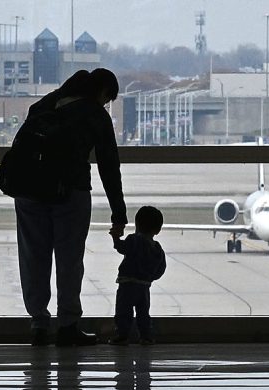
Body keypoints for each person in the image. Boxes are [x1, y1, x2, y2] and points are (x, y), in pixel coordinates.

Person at [14, 68, 127, 346]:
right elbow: (109, 166)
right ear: (103, 91)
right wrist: (118, 212)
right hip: (71, 192)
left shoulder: (43, 105)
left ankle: (39, 325)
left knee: (33, 259)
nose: (106, 104)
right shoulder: (95, 114)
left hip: (29, 190)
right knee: (69, 261)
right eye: (107, 99)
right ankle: (67, 326)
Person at [109, 206, 166, 345]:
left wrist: (115, 238)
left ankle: (123, 336)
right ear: (158, 230)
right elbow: (161, 268)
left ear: (137, 225)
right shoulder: (157, 248)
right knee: (143, 313)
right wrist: (150, 277)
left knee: (124, 311)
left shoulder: (133, 240)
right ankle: (146, 336)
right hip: (144, 286)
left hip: (127, 284)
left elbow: (122, 248)